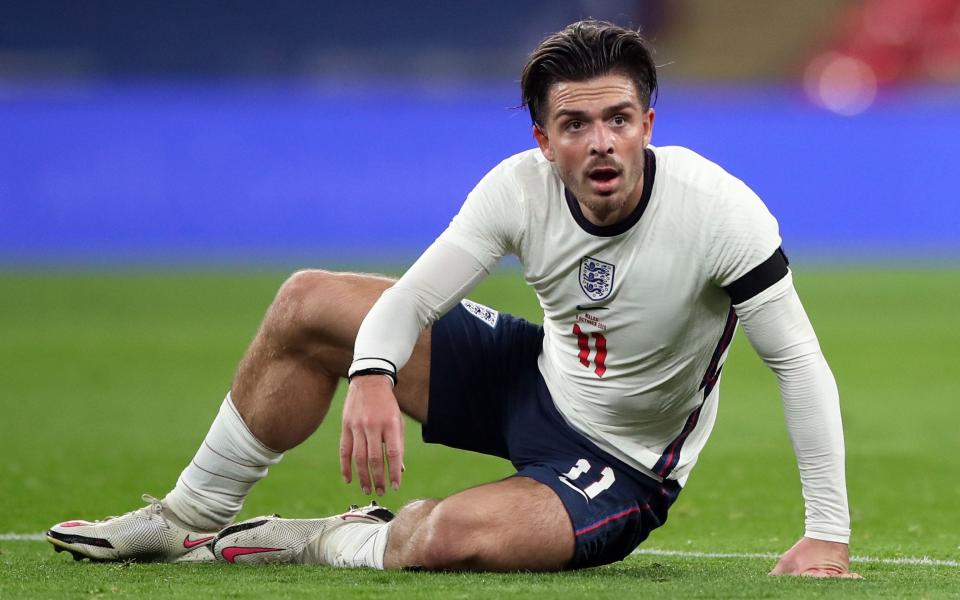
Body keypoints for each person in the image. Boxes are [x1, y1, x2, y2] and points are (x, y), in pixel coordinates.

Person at [47, 20, 858, 576]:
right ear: (543, 140)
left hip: (619, 466)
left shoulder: (722, 212)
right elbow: (415, 295)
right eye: (575, 124)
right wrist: (370, 374)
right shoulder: (515, 189)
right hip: (532, 375)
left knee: (448, 536)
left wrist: (828, 532)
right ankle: (186, 516)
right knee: (310, 301)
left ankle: (331, 540)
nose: (601, 142)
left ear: (649, 121)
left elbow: (798, 363)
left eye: (619, 118)